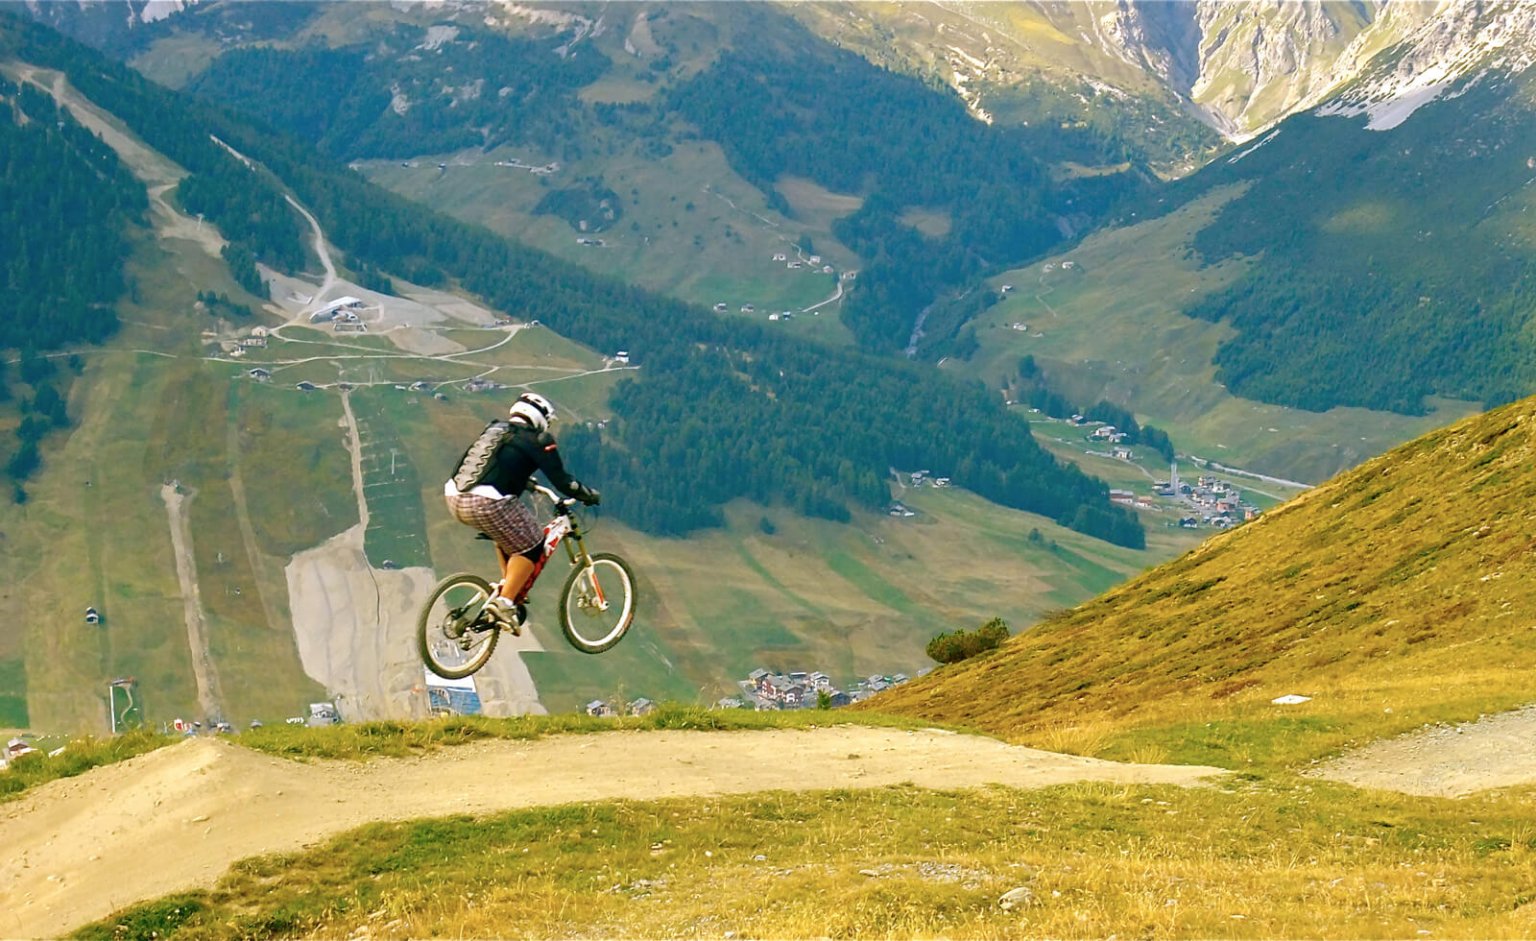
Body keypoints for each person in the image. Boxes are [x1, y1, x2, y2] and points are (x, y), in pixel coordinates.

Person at [443, 391, 600, 630]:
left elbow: (492, 461)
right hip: (486, 503)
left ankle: (509, 588)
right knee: (534, 545)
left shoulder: (495, 429)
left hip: (454, 497)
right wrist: (587, 494)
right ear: (540, 418)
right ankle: (505, 603)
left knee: (507, 535)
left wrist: (524, 481)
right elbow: (563, 482)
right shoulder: (539, 439)